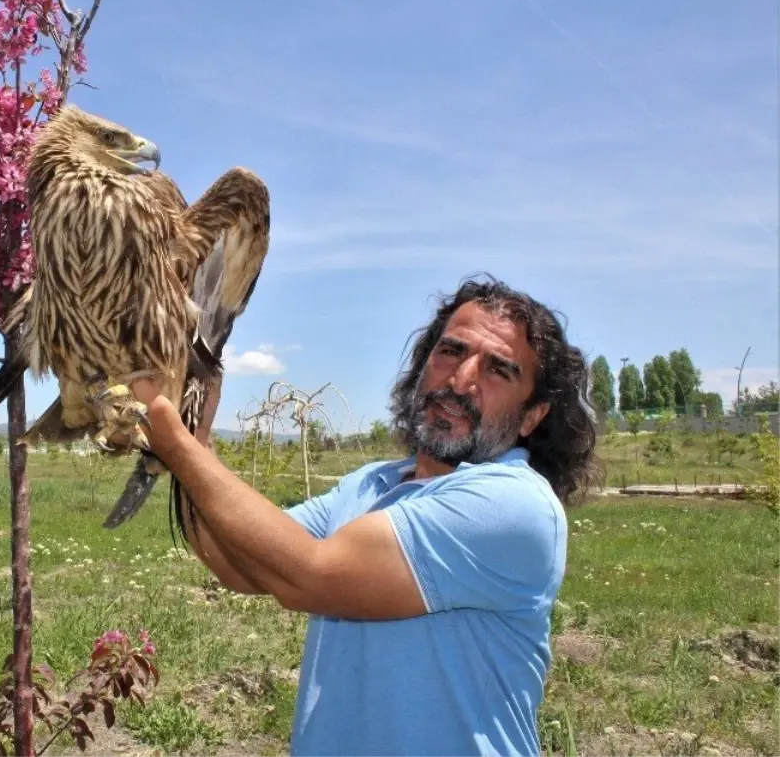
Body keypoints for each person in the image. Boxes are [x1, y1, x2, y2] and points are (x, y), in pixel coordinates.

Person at [128, 275, 600, 756]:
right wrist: (196, 435)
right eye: (451, 352)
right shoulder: (372, 483)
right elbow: (243, 564)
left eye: (499, 371)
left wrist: (176, 443)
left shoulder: (513, 505)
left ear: (532, 416)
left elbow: (307, 575)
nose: (460, 381)